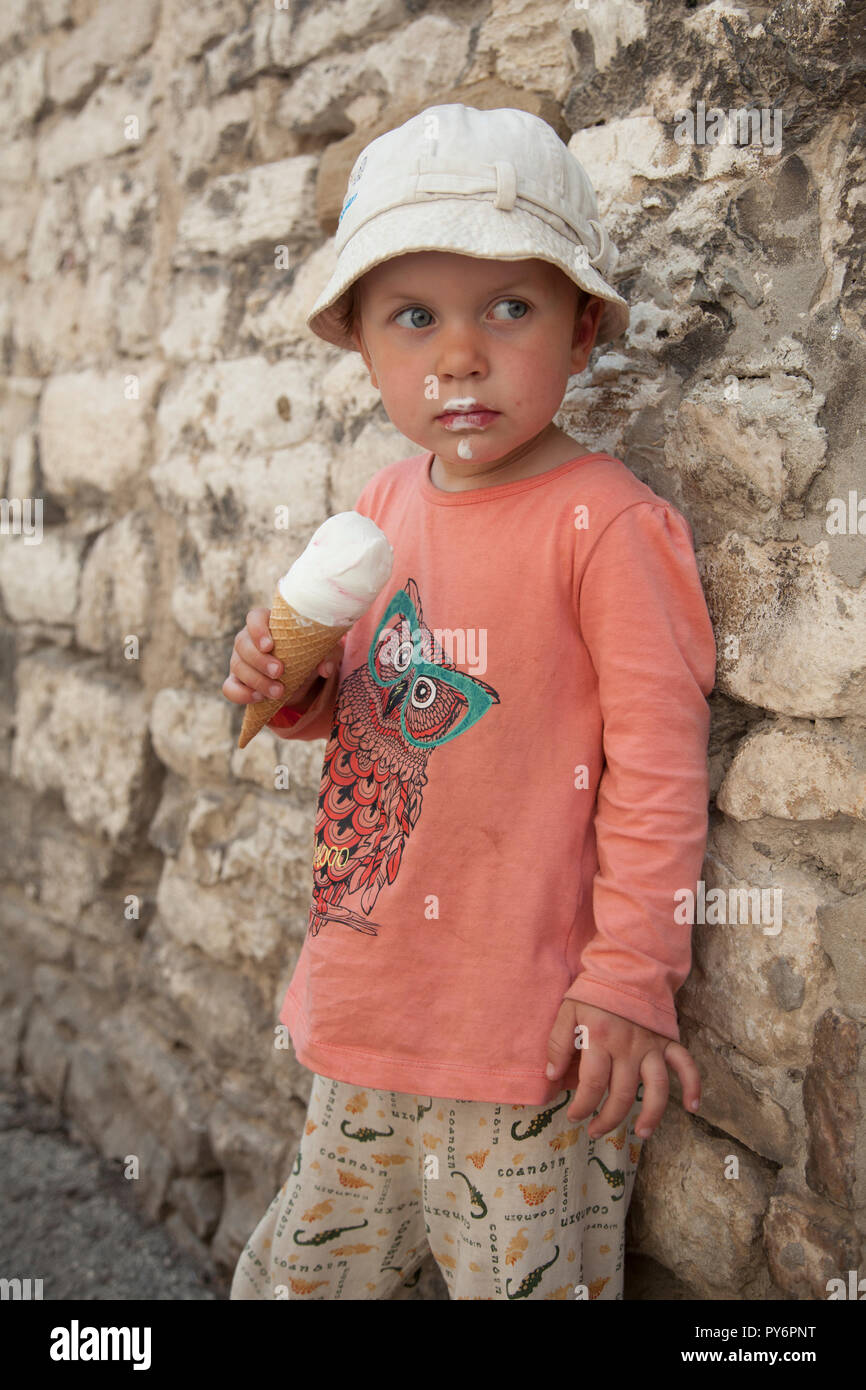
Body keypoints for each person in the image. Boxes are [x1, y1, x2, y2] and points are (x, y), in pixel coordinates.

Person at [223, 104, 716, 1301]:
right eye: (414, 317)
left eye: (507, 307)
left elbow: (658, 767)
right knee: (307, 1280)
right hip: (365, 1008)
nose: (457, 356)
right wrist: (290, 684)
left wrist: (627, 980)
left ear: (582, 326)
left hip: (528, 1045)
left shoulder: (606, 525)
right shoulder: (383, 504)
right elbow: (366, 709)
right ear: (360, 345)